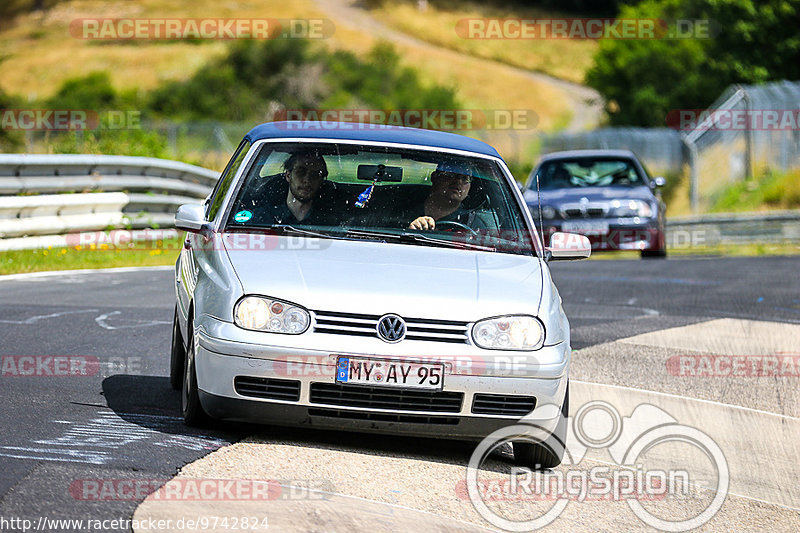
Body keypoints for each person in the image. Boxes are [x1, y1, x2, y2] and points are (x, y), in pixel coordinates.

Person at [248, 150, 337, 225]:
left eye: (315, 175)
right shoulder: (261, 219)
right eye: (301, 172)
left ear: (321, 181)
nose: (307, 180)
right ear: (288, 175)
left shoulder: (331, 223)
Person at [407, 161, 485, 231]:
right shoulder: (405, 209)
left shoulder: (473, 224)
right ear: (434, 177)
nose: (458, 181)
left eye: (465, 178)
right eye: (451, 174)